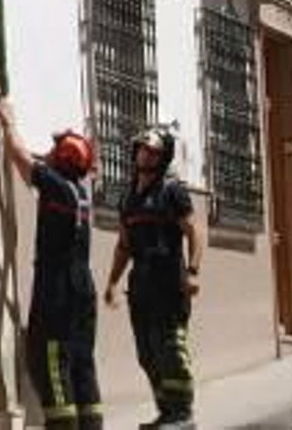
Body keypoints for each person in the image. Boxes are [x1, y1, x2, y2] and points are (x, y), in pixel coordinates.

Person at [0, 98, 102, 430]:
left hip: (59, 291)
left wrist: (8, 122)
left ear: (63, 159)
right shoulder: (78, 192)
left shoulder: (56, 187)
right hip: (82, 289)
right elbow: (40, 162)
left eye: (55, 150)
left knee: (53, 361)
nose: (49, 153)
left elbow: (19, 156)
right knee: (81, 362)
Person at [104, 125, 204, 429]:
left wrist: (193, 272)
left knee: (170, 349)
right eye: (142, 149)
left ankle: (183, 414)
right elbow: (124, 245)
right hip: (141, 289)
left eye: (152, 152)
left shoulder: (172, 191)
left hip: (169, 286)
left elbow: (195, 232)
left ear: (162, 158)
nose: (144, 155)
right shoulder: (127, 198)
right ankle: (166, 411)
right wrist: (112, 282)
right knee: (147, 354)